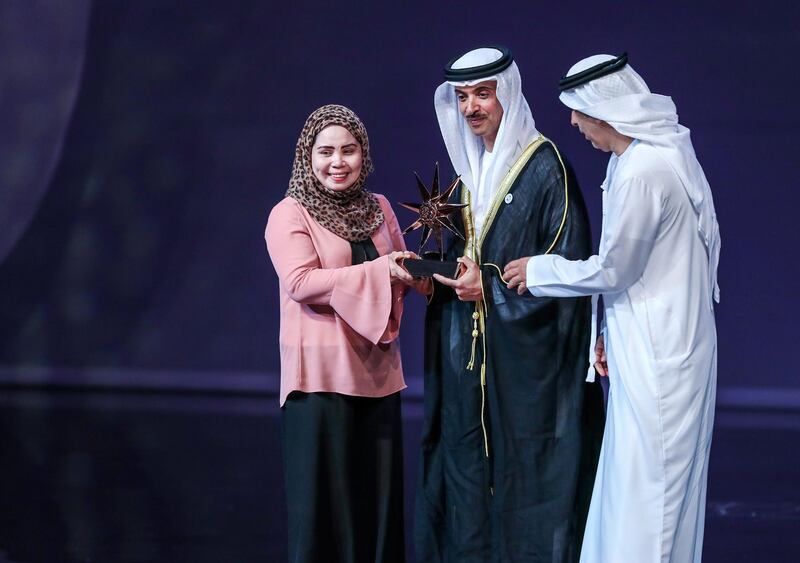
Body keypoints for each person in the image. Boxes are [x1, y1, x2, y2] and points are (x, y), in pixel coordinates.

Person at [504, 54, 720, 562]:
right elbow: (641, 269)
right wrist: (608, 333)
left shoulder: (645, 169)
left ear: (607, 110)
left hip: (665, 354)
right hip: (648, 345)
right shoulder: (631, 160)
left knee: (655, 491)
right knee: (632, 482)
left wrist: (539, 271)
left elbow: (616, 269)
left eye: (579, 112)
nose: (574, 124)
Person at [414, 45, 605, 562]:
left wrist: (490, 288)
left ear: (509, 95)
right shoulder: (467, 174)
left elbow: (567, 271)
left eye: (483, 93)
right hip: (469, 366)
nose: (472, 107)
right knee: (465, 471)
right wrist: (434, 279)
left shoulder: (547, 171)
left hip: (527, 374)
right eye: (462, 98)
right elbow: (462, 260)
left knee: (527, 476)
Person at [265, 104, 425, 563]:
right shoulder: (289, 213)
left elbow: (403, 270)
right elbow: (300, 284)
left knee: (374, 508)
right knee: (324, 515)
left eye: (349, 151)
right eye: (326, 151)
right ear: (307, 156)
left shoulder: (379, 208)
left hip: (376, 374)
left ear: (364, 155)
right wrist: (383, 271)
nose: (338, 162)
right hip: (318, 379)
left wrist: (434, 272)